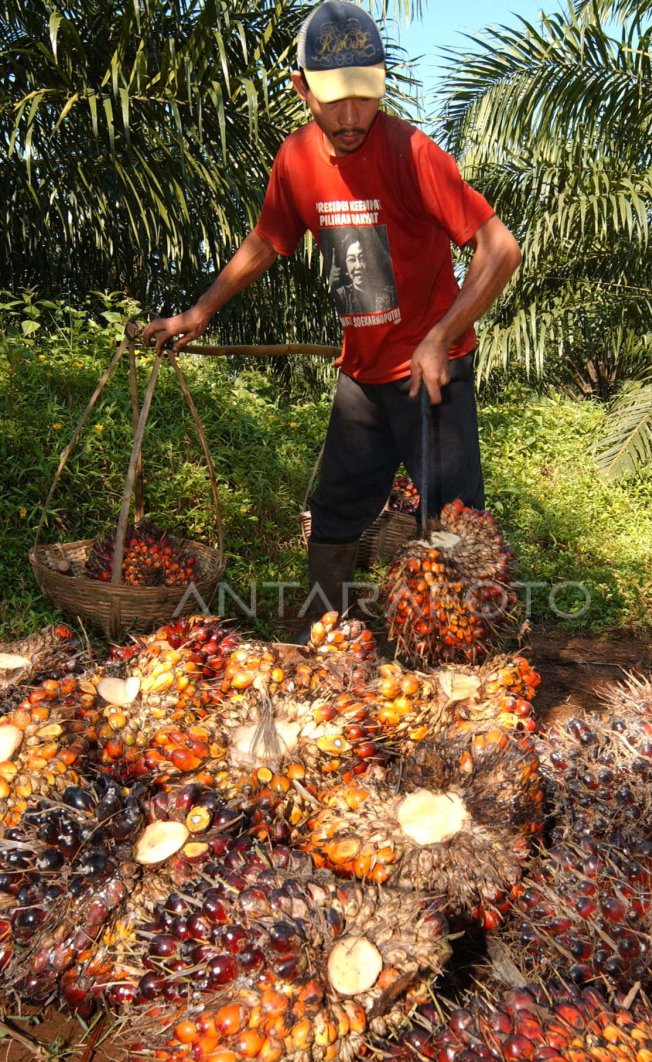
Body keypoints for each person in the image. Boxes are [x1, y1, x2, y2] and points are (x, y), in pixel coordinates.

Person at [144, 0, 521, 629]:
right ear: (302, 89)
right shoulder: (295, 161)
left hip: (434, 373)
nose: (351, 118)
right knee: (336, 508)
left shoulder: (411, 153)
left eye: (365, 98)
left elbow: (500, 249)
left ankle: (465, 655)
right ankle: (327, 636)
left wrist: (438, 338)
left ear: (381, 86)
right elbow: (268, 240)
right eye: (334, 100)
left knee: (453, 522)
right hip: (362, 378)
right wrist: (200, 312)